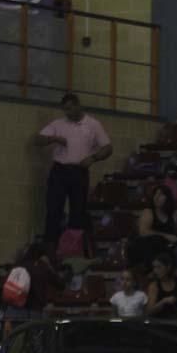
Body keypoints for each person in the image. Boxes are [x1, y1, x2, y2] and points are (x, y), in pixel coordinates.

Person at [34, 93, 112, 247]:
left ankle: (73, 246)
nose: (67, 113)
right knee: (53, 209)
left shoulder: (93, 124)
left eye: (70, 109)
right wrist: (54, 139)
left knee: (78, 211)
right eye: (65, 110)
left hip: (79, 172)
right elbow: (38, 140)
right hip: (59, 171)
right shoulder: (58, 124)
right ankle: (50, 246)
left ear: (78, 105)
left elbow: (108, 148)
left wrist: (93, 158)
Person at [145, 252, 177, 318]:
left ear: (168, 267)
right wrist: (163, 301)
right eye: (154, 267)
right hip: (160, 322)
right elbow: (149, 312)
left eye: (158, 267)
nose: (155, 271)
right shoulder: (154, 286)